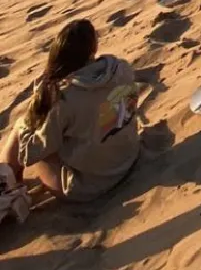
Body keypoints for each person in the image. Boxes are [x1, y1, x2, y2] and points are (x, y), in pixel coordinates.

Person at [0, 20, 141, 202]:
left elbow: (28, 153)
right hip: (127, 158)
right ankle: (9, 182)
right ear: (93, 49)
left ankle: (5, 184)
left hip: (90, 185)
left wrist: (33, 111)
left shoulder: (66, 98)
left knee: (22, 129)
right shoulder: (122, 69)